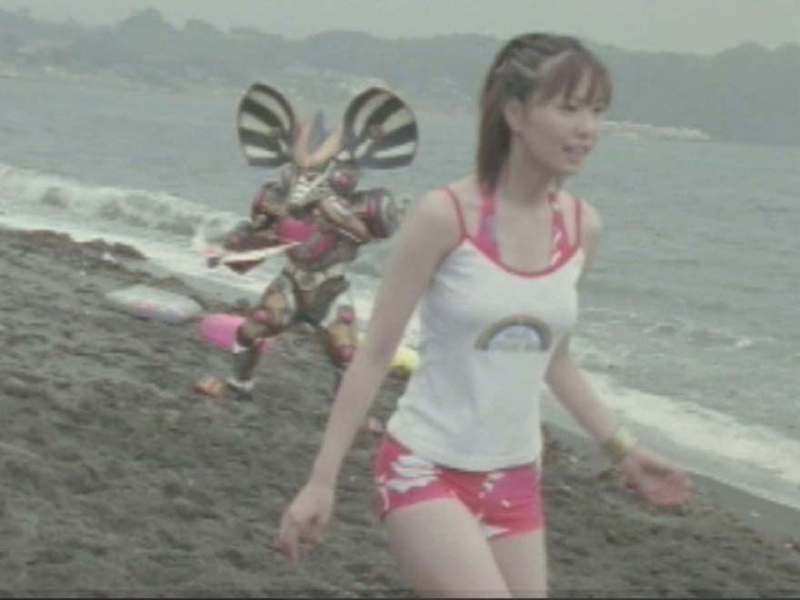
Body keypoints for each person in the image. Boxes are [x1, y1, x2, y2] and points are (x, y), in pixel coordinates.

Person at [278, 32, 692, 597]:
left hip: (516, 475)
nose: (587, 128)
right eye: (569, 108)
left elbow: (555, 358)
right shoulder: (444, 215)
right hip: (423, 465)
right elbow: (374, 355)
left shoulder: (581, 227)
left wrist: (624, 451)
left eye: (598, 111)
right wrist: (321, 481)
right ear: (515, 113)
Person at [195, 83, 418, 435]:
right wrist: (227, 250)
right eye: (301, 172)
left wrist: (335, 212)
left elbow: (368, 234)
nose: (307, 179)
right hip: (291, 281)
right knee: (252, 328)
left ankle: (352, 415)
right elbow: (259, 234)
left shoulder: (364, 205)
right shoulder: (275, 198)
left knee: (346, 354)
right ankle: (238, 387)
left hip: (331, 287)